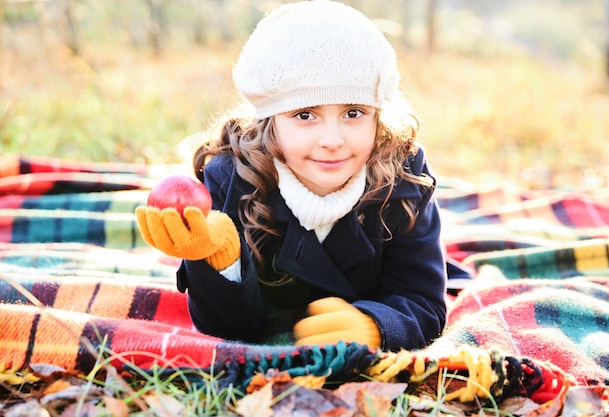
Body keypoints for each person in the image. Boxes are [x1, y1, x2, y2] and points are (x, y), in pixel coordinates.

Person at [136, 0, 447, 352]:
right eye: (304, 115)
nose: (332, 140)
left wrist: (377, 326)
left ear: (379, 115)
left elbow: (424, 301)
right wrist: (220, 259)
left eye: (354, 112)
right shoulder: (232, 178)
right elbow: (229, 329)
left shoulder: (403, 177)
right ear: (269, 120)